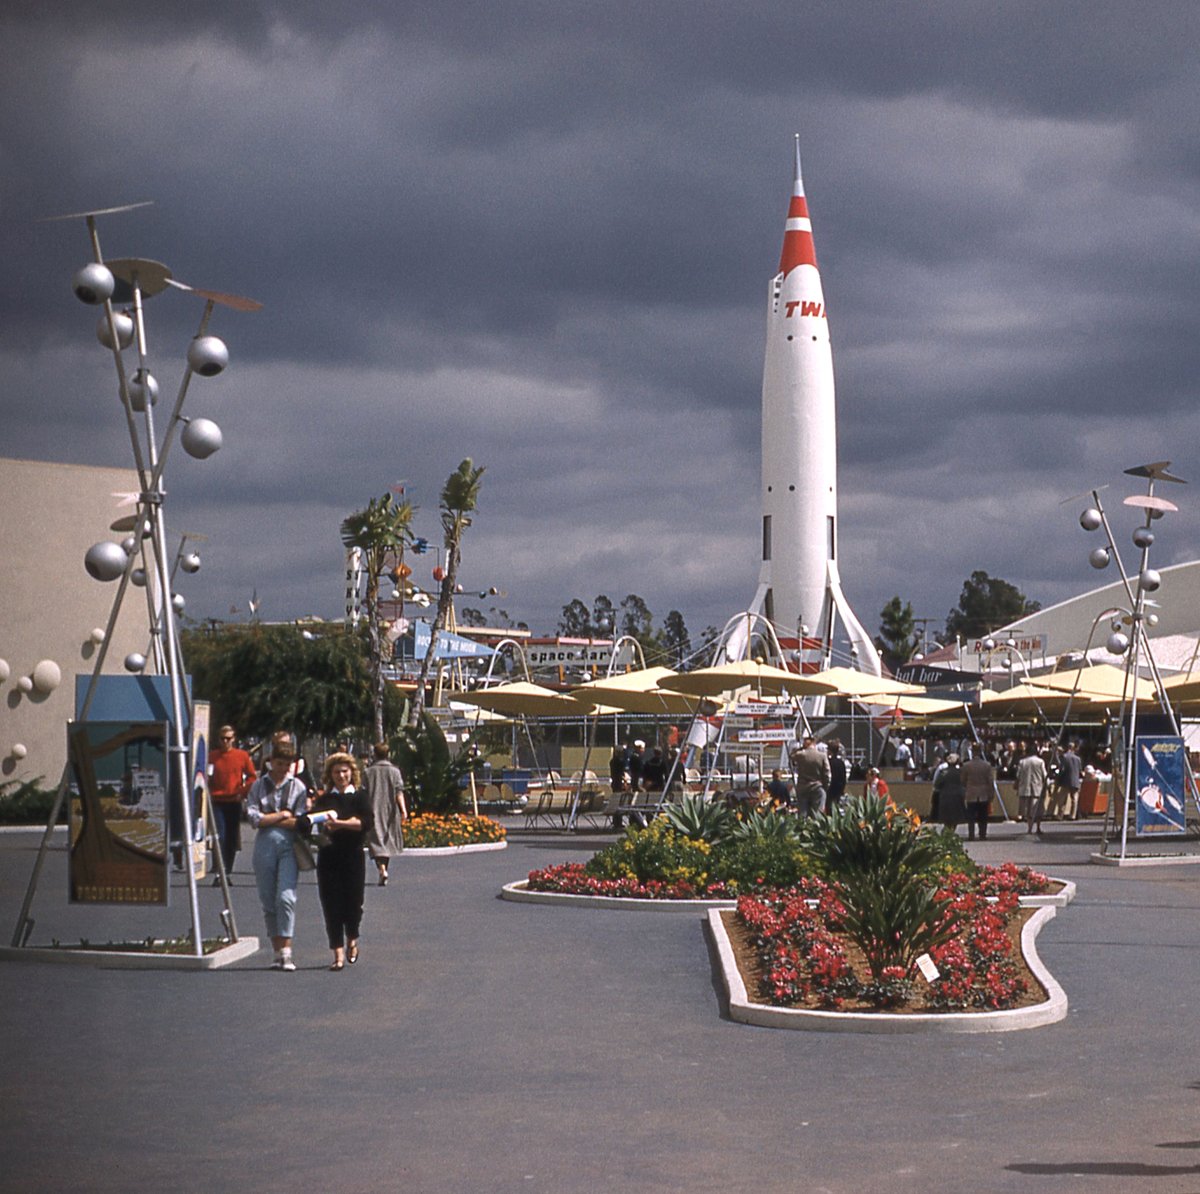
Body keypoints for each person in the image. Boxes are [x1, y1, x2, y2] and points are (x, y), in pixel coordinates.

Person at [245, 737, 309, 971]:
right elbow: (254, 818)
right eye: (279, 763)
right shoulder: (258, 786)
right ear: (271, 762)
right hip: (264, 847)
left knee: (286, 897)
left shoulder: (298, 787)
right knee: (268, 899)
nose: (283, 769)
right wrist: (282, 815)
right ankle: (276, 951)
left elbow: (300, 821)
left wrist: (271, 818)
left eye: (287, 764)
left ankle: (287, 950)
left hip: (288, 846)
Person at [305, 752, 372, 971]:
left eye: (345, 771)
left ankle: (352, 937)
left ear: (352, 773)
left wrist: (341, 824)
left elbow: (365, 822)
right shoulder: (325, 799)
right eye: (336, 772)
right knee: (331, 904)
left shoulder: (360, 797)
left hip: (353, 856)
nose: (341, 776)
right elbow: (314, 822)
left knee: (353, 903)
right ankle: (338, 953)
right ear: (330, 775)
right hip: (329, 856)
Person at [207, 724, 256, 880]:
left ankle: (227, 870)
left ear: (233, 739)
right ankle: (218, 871)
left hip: (234, 801)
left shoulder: (242, 756)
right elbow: (205, 776)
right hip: (216, 801)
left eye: (228, 739)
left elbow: (252, 777)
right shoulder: (212, 756)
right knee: (219, 835)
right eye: (222, 739)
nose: (225, 742)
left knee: (231, 838)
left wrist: (242, 792)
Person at [364, 742, 407, 886]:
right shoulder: (395, 771)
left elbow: (363, 792)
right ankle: (384, 869)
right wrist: (403, 810)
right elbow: (399, 792)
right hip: (389, 810)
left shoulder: (368, 772)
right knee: (386, 842)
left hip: (372, 809)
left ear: (374, 754)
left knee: (376, 842)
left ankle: (382, 869)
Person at [791, 735, 831, 817]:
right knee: (817, 814)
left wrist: (801, 748)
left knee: (803, 814)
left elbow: (791, 756)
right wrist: (825, 786)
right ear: (814, 743)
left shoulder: (801, 755)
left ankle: (802, 828)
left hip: (803, 787)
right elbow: (827, 773)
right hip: (817, 786)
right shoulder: (822, 756)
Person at [962, 749, 996, 841]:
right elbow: (990, 781)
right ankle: (982, 834)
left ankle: (971, 834)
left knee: (971, 816)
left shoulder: (966, 766)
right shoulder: (987, 765)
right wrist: (991, 793)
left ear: (972, 753)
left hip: (971, 793)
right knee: (983, 816)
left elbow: (963, 780)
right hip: (983, 793)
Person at [1016, 743, 1049, 834]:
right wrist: (1047, 786)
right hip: (1038, 788)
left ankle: (1029, 828)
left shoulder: (1022, 762)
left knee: (1028, 810)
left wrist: (1017, 785)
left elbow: (1018, 775)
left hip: (1025, 788)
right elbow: (1045, 775)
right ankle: (1038, 827)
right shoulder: (1040, 762)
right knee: (1037, 809)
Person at [933, 753, 965, 833]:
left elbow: (937, 784)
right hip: (958, 796)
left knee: (946, 817)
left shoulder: (944, 772)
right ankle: (951, 831)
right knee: (955, 817)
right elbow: (964, 783)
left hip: (945, 796)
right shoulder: (960, 772)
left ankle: (946, 832)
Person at [1051, 740, 1083, 820]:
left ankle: (1060, 815)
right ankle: (1073, 815)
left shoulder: (1064, 757)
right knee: (1074, 798)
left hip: (1066, 780)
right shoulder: (1078, 758)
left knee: (1062, 798)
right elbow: (1079, 770)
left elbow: (1062, 769)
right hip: (1075, 780)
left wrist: (1058, 778)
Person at [826, 741, 847, 812]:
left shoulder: (828, 762)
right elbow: (843, 777)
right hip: (838, 788)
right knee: (835, 807)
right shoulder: (841, 763)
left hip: (830, 788)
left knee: (828, 807)